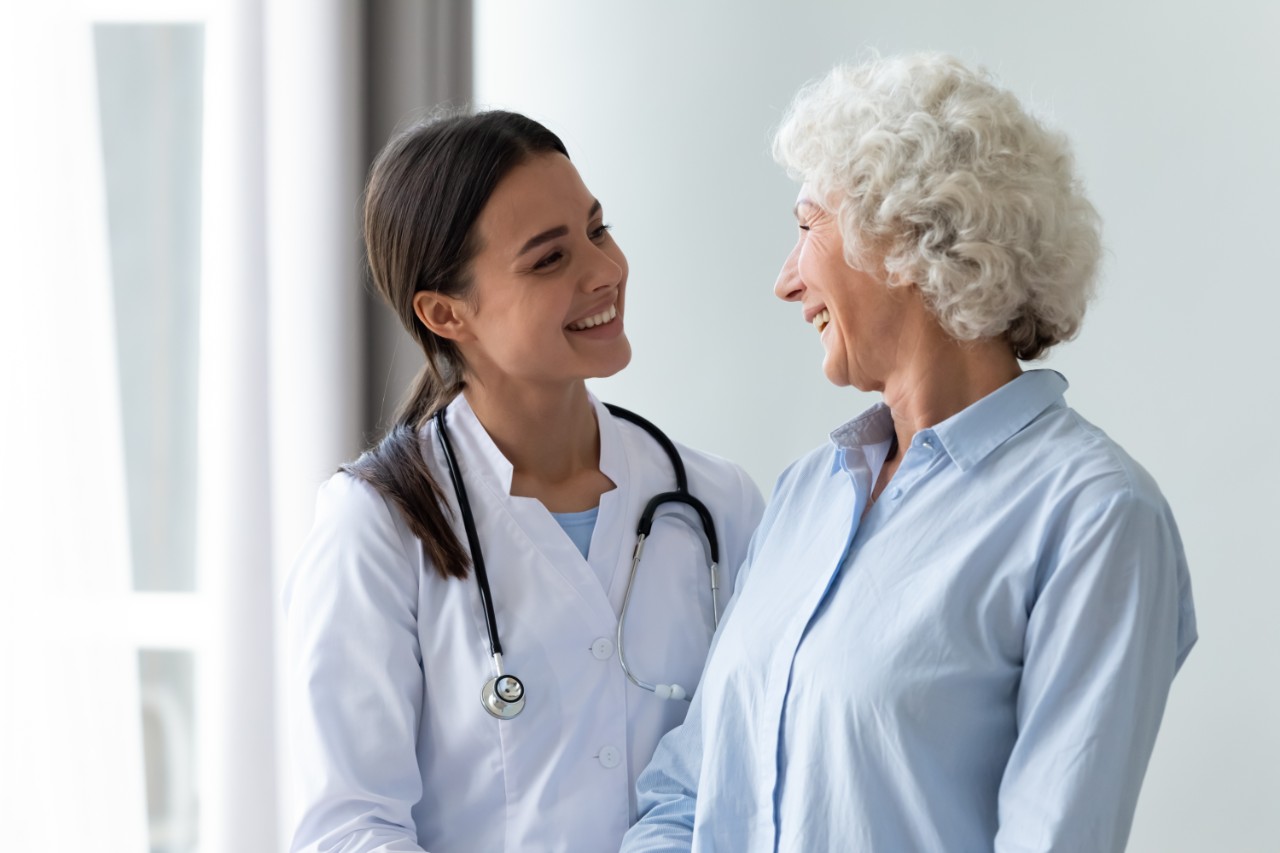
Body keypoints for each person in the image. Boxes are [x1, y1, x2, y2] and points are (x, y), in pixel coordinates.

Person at [622, 53, 1197, 852]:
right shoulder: (807, 494)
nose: (786, 281)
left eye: (805, 226)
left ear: (906, 230)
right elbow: (687, 795)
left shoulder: (1094, 513)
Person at [283, 110, 764, 853]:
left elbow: (755, 767)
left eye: (598, 231)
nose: (605, 271)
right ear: (447, 313)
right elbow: (349, 828)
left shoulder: (714, 503)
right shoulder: (376, 527)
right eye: (549, 260)